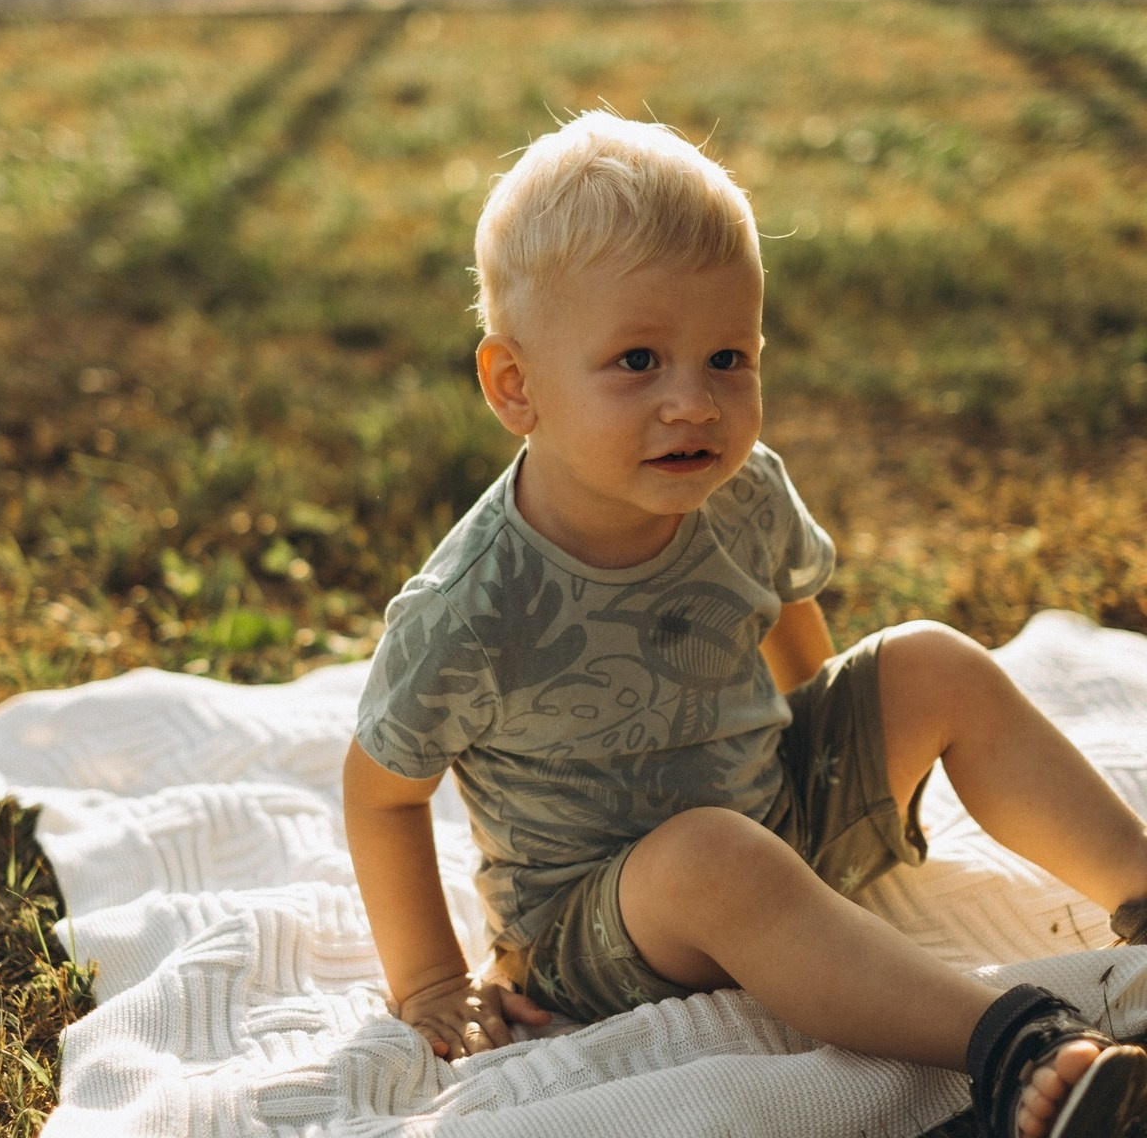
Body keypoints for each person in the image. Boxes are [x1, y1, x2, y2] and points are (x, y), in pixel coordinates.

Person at [342, 111, 1147, 1138]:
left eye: (727, 356)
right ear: (515, 384)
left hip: (768, 814)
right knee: (713, 855)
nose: (694, 402)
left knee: (933, 659)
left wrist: (830, 751)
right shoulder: (472, 604)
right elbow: (378, 794)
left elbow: (787, 621)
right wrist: (427, 979)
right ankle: (1012, 1043)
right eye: (637, 360)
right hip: (598, 922)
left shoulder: (741, 488)